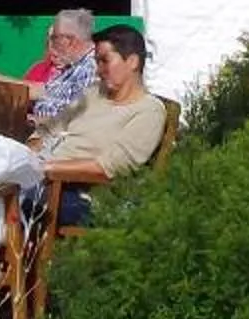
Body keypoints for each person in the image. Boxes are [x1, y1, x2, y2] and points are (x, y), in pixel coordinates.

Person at [34, 23, 167, 226]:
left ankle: (7, 256)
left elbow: (109, 168)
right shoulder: (93, 93)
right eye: (97, 61)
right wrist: (24, 155)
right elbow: (48, 129)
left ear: (132, 62)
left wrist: (45, 168)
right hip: (47, 178)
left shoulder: (148, 111)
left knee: (7, 199)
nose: (99, 69)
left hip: (86, 195)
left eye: (105, 61)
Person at [24, 8, 98, 128]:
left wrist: (37, 120)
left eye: (54, 38)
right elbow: (44, 91)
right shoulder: (73, 66)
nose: (51, 44)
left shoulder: (90, 68)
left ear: (71, 41)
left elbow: (78, 120)